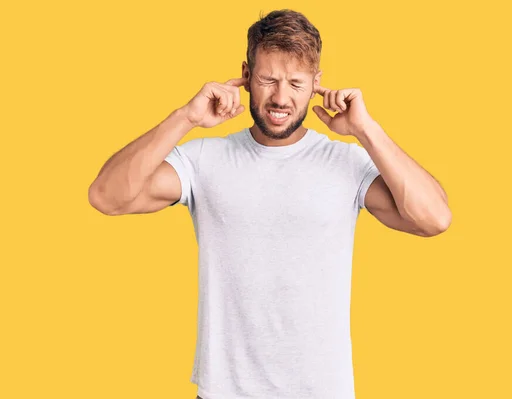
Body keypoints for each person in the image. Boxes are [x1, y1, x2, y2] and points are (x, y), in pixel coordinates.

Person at [88, 8, 451, 399]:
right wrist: (185, 117)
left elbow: (434, 219)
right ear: (246, 75)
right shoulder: (204, 161)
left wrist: (366, 129)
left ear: (317, 83)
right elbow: (106, 197)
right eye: (268, 79)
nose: (281, 98)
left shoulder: (345, 163)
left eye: (296, 83)